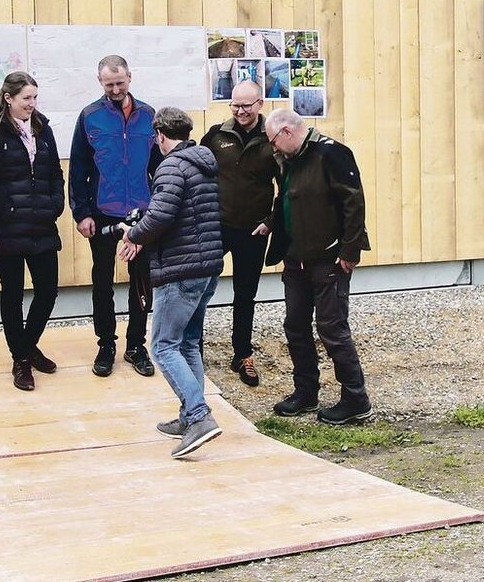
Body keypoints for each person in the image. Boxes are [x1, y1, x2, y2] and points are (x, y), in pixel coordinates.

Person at [117, 107, 226, 458]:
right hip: (207, 265)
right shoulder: (202, 162)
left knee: (163, 346)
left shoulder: (171, 166)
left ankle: (198, 416)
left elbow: (161, 216)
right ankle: (187, 414)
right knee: (188, 343)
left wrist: (132, 233)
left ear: (161, 135)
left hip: (180, 269)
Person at [263, 108, 374, 425]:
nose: (272, 148)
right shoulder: (290, 160)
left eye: (273, 141)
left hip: (328, 257)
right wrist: (272, 224)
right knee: (295, 325)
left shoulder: (332, 153)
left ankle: (355, 399)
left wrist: (349, 249)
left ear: (286, 132)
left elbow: (354, 202)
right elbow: (287, 198)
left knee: (332, 328)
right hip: (296, 258)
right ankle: (305, 392)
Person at [0, 72, 65, 392]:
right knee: (12, 294)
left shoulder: (43, 127)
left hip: (41, 223)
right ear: (9, 98)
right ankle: (21, 359)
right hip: (6, 227)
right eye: (26, 98)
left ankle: (26, 345)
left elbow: (55, 173)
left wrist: (55, 204)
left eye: (35, 98)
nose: (32, 104)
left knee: (48, 291)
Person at [69, 55, 157, 378]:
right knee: (102, 281)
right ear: (100, 82)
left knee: (141, 281)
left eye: (120, 82)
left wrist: (159, 211)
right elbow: (77, 167)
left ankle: (136, 345)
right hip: (103, 214)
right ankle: (106, 344)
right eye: (109, 84)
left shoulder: (149, 116)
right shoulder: (90, 117)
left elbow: (160, 167)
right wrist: (81, 213)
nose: (116, 89)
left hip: (142, 215)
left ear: (130, 77)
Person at [201, 80, 277, 386]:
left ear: (260, 104)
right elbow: (195, 172)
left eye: (246, 105)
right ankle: (194, 349)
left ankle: (242, 354)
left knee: (245, 295)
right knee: (200, 290)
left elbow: (288, 187)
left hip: (254, 231)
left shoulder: (272, 138)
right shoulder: (216, 136)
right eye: (235, 104)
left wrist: (271, 221)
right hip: (217, 226)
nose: (240, 110)